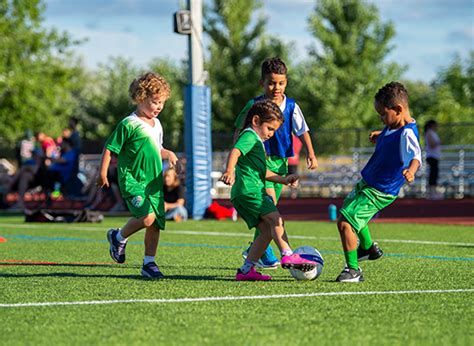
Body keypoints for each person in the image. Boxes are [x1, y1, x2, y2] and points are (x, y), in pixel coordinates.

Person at [233, 57, 319, 269]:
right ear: (262, 83)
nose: (276, 87)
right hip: (259, 163)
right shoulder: (254, 106)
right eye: (271, 82)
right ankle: (278, 251)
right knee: (269, 205)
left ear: (286, 82)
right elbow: (239, 128)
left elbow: (302, 130)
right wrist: (237, 155)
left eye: (280, 83)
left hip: (279, 163)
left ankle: (257, 250)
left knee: (269, 209)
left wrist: (311, 152)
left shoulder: (291, 106)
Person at [221, 100, 317, 281]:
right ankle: (287, 253)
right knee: (276, 219)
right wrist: (229, 171)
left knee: (266, 231)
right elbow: (235, 151)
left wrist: (284, 179)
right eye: (270, 129)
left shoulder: (256, 141)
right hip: (251, 192)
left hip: (247, 192)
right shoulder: (249, 136)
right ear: (256, 121)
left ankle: (246, 270)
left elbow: (262, 171)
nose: (271, 134)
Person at [335, 82, 422, 283]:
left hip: (380, 190)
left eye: (383, 114)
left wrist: (411, 171)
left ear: (398, 110)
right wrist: (380, 134)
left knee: (345, 222)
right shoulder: (393, 126)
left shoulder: (407, 133)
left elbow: (416, 156)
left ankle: (353, 270)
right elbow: (390, 134)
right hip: (368, 182)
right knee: (348, 211)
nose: (382, 119)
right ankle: (368, 248)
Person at [97, 72, 178, 279]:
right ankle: (118, 237)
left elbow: (156, 148)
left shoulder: (157, 125)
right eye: (155, 102)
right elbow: (110, 147)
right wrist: (103, 172)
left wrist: (169, 154)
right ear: (141, 98)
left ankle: (148, 263)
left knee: (156, 223)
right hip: (133, 180)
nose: (159, 107)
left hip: (153, 182)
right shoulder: (128, 124)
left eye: (162, 103)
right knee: (146, 217)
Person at [424, 120, 442, 199]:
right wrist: (438, 142)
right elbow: (431, 144)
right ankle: (431, 192)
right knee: (433, 175)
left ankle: (433, 191)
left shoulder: (432, 133)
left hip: (435, 156)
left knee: (434, 174)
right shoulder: (429, 133)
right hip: (432, 156)